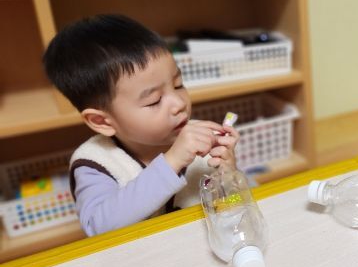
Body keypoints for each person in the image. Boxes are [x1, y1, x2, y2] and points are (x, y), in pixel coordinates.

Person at [43, 14, 239, 236]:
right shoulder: (95, 163)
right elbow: (98, 228)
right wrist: (172, 161)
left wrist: (230, 173)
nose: (179, 104)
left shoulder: (199, 137)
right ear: (102, 121)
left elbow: (237, 203)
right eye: (154, 101)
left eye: (178, 85)